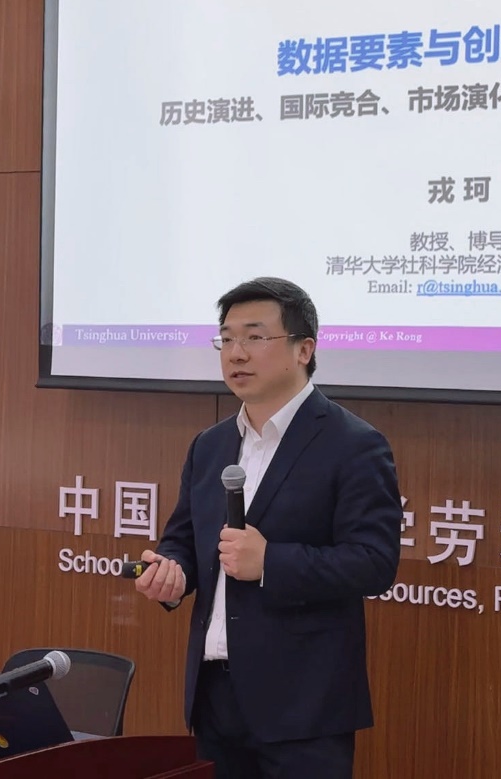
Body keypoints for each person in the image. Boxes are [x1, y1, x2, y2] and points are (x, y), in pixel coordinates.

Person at [133, 277, 402, 778]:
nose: (236, 353)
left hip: (303, 707)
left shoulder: (353, 445)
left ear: (304, 349)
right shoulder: (210, 445)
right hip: (215, 696)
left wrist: (270, 562)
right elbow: (184, 540)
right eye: (226, 339)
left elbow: (374, 563)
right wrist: (172, 571)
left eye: (255, 337)